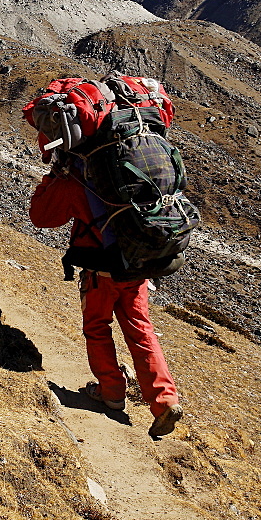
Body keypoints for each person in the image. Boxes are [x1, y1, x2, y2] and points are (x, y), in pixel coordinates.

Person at [29, 150, 183, 438]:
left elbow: (41, 216)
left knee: (97, 328)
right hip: (136, 267)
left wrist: (52, 178)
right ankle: (165, 401)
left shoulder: (77, 181)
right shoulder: (134, 173)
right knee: (142, 332)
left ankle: (111, 392)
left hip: (101, 271)